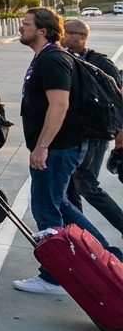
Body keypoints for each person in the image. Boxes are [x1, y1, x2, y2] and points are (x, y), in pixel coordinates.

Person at [12, 8, 120, 294]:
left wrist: (42, 146)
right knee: (60, 205)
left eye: (26, 24)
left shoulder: (53, 59)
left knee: (46, 209)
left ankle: (53, 276)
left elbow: (59, 106)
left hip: (57, 149)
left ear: (43, 31)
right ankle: (110, 256)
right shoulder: (48, 56)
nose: (21, 28)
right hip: (56, 149)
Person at [60, 19, 123, 237]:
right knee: (68, 185)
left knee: (86, 184)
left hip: (97, 134)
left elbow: (120, 98)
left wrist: (120, 139)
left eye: (68, 33)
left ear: (82, 36)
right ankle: (77, 236)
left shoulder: (100, 63)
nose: (63, 36)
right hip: (75, 134)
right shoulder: (63, 58)